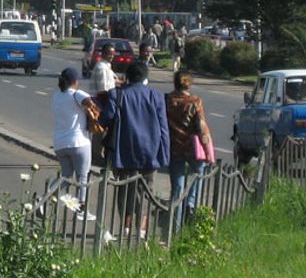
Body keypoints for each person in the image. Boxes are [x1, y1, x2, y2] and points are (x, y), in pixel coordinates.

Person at [99, 62, 169, 238]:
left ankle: (127, 228)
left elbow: (105, 119)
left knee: (125, 189)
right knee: (146, 190)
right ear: (146, 77)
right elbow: (163, 127)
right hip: (150, 152)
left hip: (124, 151)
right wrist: (164, 154)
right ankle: (142, 229)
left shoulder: (117, 94)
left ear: (127, 77)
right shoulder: (156, 95)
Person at [166, 70, 214, 231]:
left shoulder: (167, 100)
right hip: (193, 148)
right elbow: (200, 125)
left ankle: (175, 227)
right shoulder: (195, 101)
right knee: (197, 175)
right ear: (189, 83)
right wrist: (206, 146)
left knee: (177, 189)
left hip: (174, 148)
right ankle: (192, 204)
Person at [52, 67, 97, 220]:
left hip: (60, 143)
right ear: (75, 81)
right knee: (83, 177)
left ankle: (43, 201)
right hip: (79, 142)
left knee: (65, 176)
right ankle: (81, 209)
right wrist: (89, 108)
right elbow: (89, 102)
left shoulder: (57, 96)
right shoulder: (77, 94)